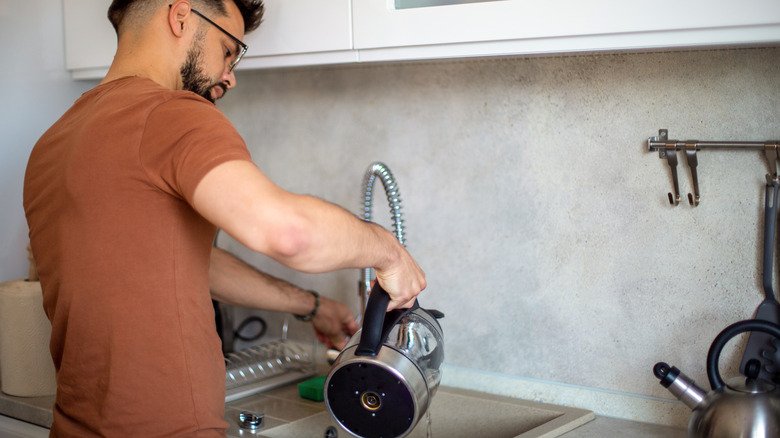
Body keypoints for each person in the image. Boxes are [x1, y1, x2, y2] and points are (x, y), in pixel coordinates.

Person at [22, 0, 427, 436]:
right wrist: (389, 251)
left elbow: (180, 262)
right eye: (229, 49)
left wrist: (311, 305)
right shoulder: (171, 113)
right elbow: (289, 233)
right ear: (180, 17)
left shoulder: (54, 142)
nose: (230, 74)